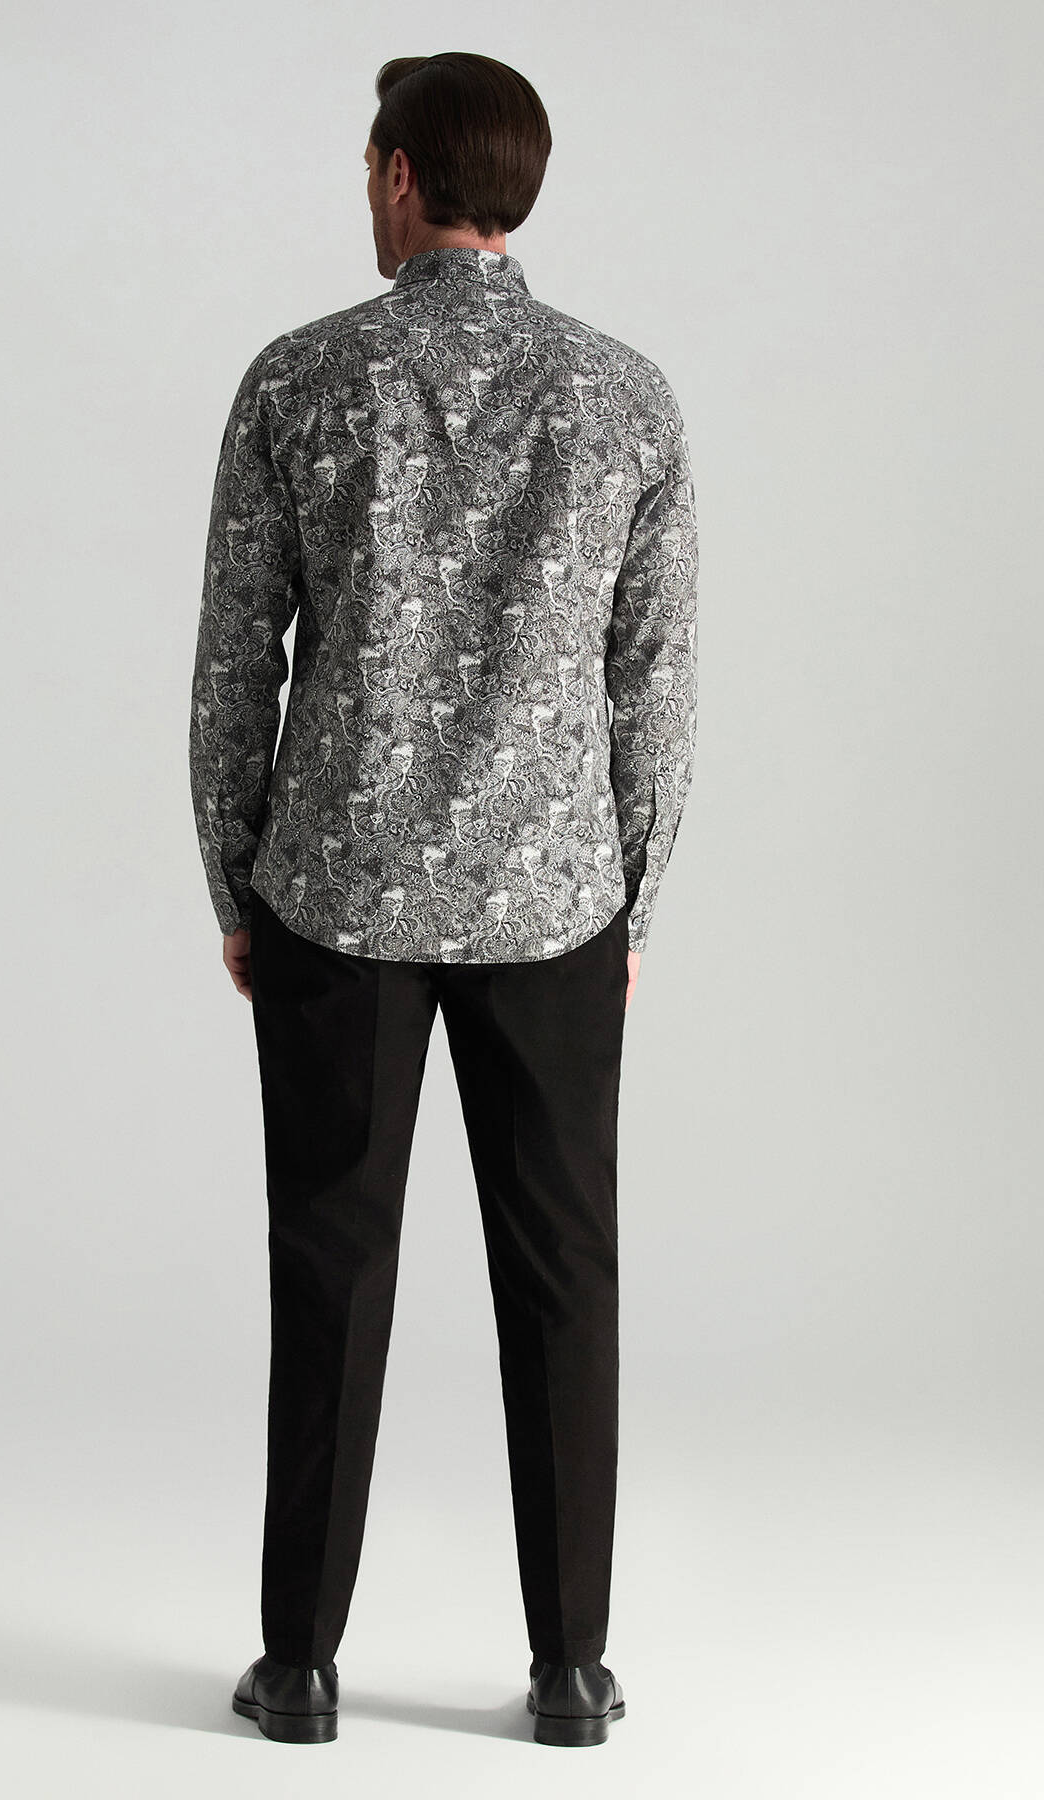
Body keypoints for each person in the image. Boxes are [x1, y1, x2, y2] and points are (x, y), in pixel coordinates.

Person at [189, 50, 698, 1748]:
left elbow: (235, 660)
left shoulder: (298, 381)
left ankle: (300, 1667)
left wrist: (236, 875)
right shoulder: (627, 397)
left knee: (329, 1269)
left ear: (402, 176)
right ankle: (570, 1673)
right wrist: (634, 898)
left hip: (335, 895)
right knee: (564, 1273)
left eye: (369, 165)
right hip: (555, 904)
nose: (366, 188)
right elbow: (654, 683)